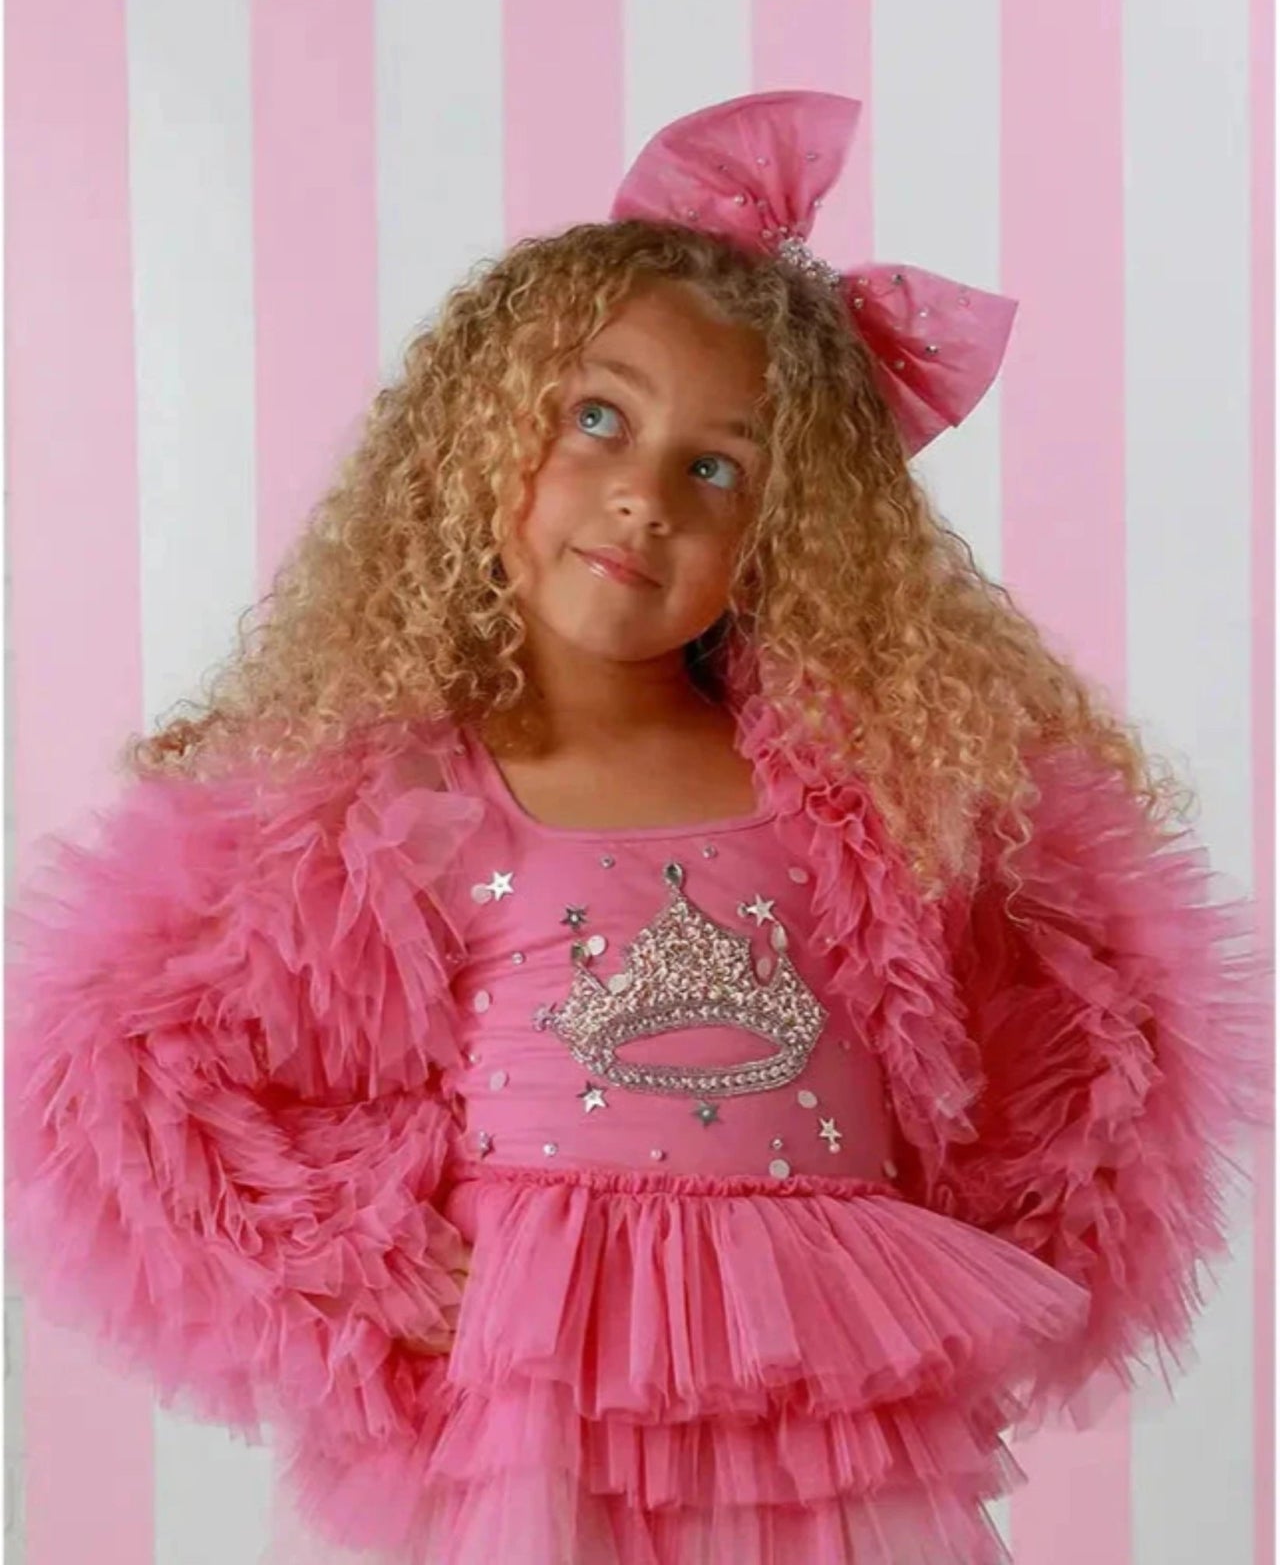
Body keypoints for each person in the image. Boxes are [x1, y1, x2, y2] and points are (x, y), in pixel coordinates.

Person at [6, 89, 1272, 1565]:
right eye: (596, 419)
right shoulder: (385, 803)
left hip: (812, 1388)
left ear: (787, 534)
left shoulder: (870, 794)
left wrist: (996, 1237)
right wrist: (360, 1259)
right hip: (539, 1387)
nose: (642, 500)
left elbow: (1094, 1007)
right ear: (482, 432)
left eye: (714, 468)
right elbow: (117, 1064)